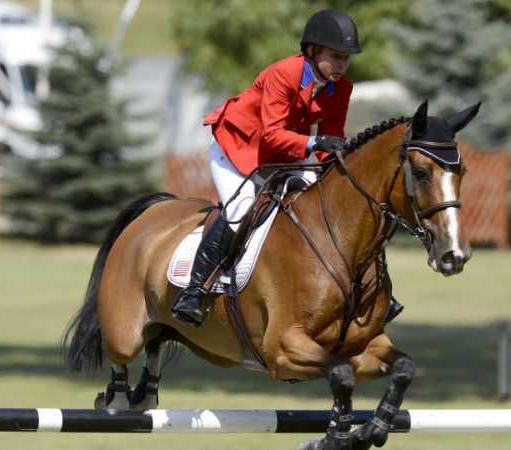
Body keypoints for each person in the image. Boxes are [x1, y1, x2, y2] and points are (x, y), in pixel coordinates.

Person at [171, 9, 403, 327]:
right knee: (240, 209)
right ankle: (194, 291)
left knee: (331, 203)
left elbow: (331, 138)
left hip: (285, 153)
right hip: (239, 148)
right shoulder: (285, 73)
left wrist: (334, 168)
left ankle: (372, 290)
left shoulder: (342, 88)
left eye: (346, 59)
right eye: (335, 56)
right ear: (312, 51)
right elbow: (272, 134)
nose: (341, 65)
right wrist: (314, 144)